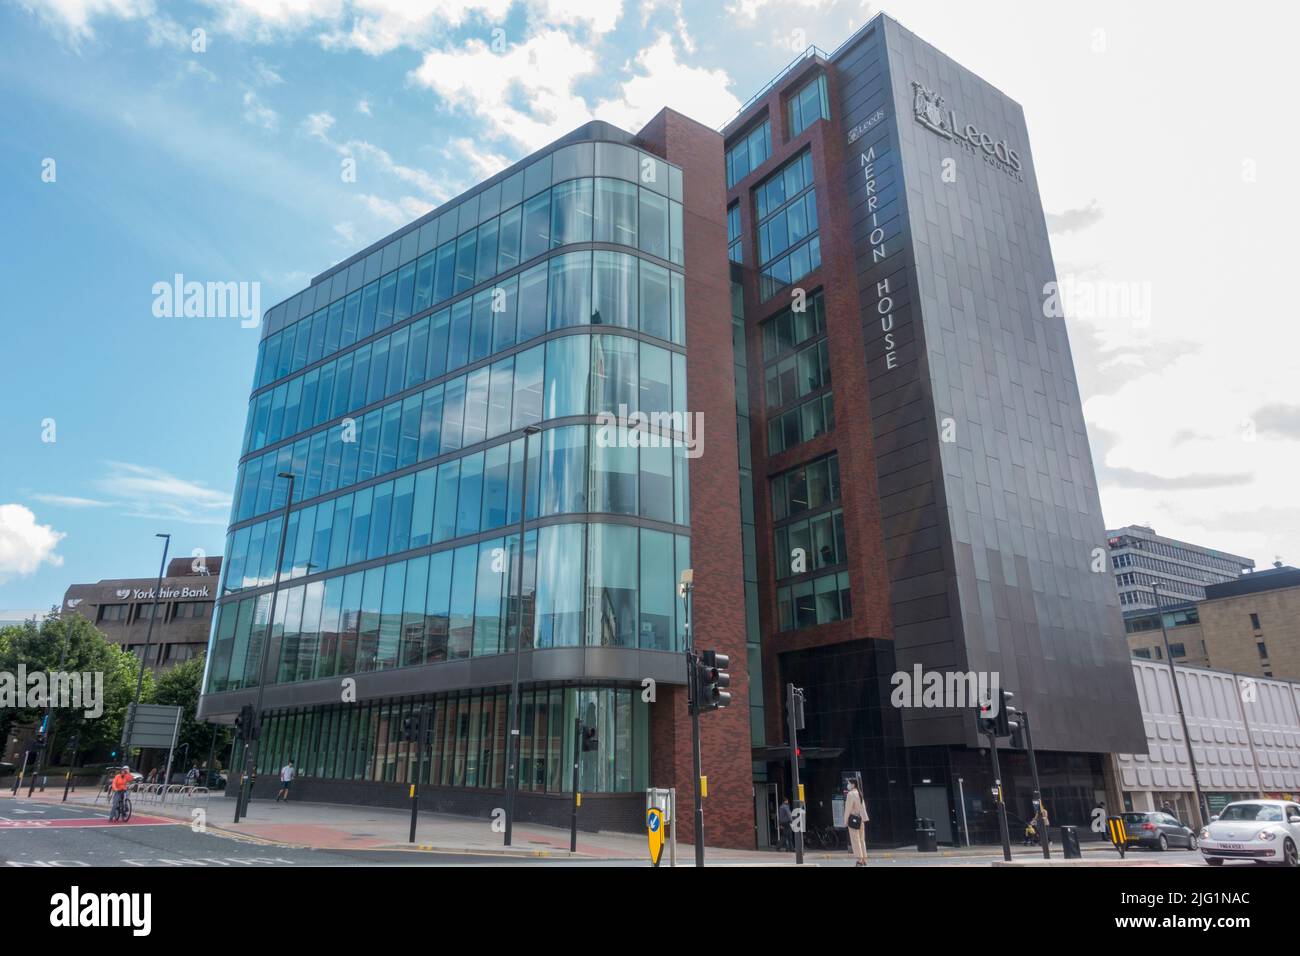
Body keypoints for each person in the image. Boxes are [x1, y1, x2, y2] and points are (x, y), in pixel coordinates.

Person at [844, 780, 869, 866]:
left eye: (849, 783)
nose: (848, 785)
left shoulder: (850, 794)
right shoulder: (859, 793)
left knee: (855, 840)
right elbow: (863, 807)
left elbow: (848, 809)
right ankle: (864, 859)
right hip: (861, 819)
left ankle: (859, 860)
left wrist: (846, 821)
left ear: (853, 784)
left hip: (853, 820)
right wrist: (864, 818)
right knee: (862, 840)